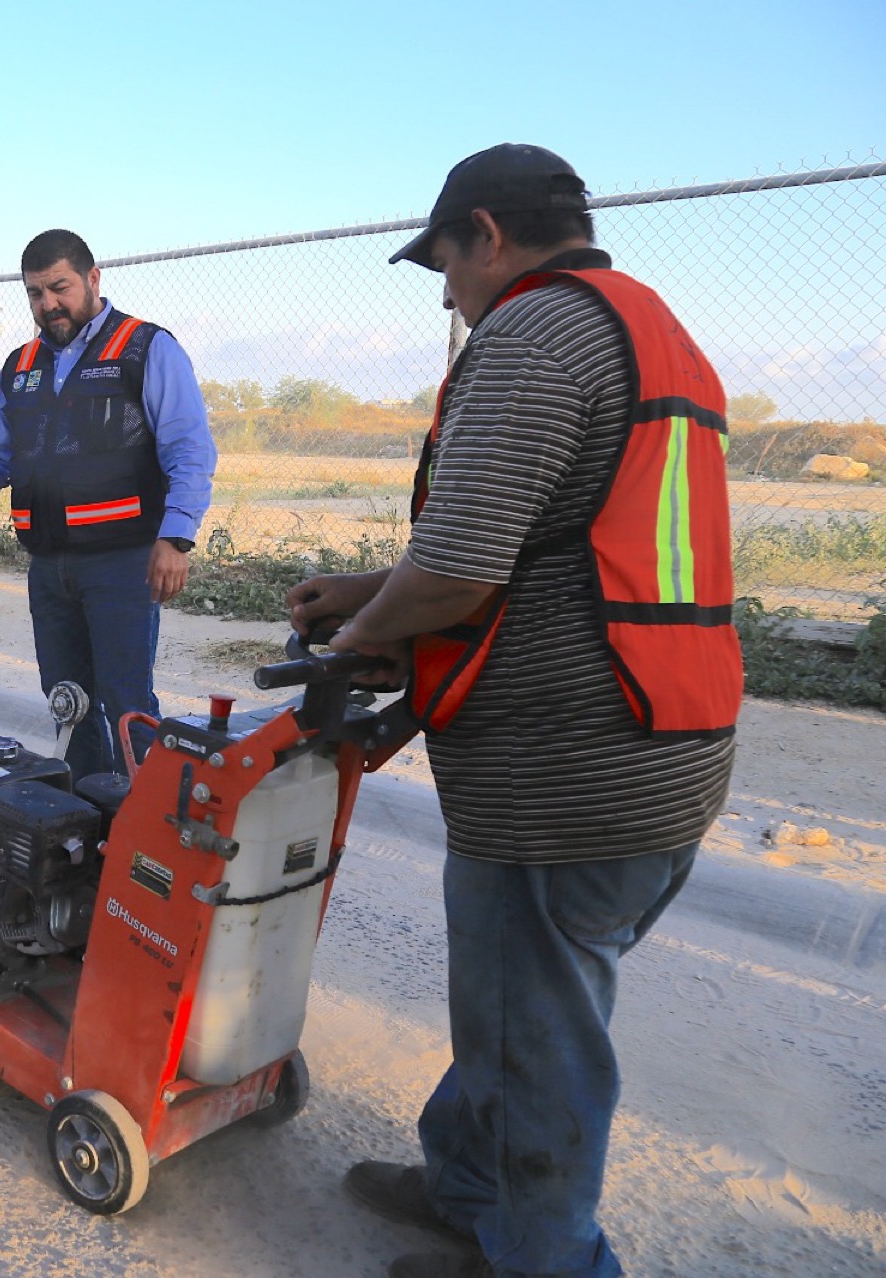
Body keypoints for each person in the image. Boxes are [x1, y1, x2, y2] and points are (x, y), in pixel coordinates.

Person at [288, 145, 740, 1278]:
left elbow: (456, 574)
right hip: (666, 744)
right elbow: (560, 543)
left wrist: (359, 637)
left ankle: (542, 1260)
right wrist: (367, 596)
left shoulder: (535, 334)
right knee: (519, 1003)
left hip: (571, 774)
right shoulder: (646, 323)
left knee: (538, 1038)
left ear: (486, 234)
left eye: (443, 263)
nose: (445, 291)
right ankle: (465, 1185)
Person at [0, 229, 215, 779]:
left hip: (123, 562)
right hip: (49, 567)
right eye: (35, 293)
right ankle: (88, 808)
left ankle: (141, 829)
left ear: (93, 279)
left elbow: (189, 450)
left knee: (128, 701)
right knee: (68, 700)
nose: (48, 304)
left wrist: (176, 538)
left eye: (59, 288)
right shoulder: (22, 365)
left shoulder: (145, 349)